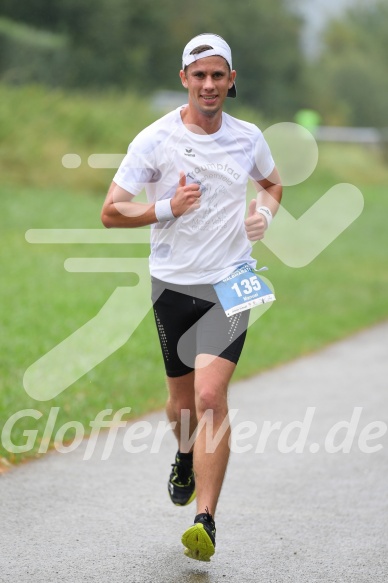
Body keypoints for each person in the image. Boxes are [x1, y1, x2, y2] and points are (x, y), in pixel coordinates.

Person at [101, 33, 282, 562]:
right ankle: (184, 454)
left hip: (231, 282)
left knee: (209, 398)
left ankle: (205, 519)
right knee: (181, 404)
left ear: (231, 80)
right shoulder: (154, 140)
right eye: (198, 75)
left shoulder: (248, 137)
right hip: (173, 285)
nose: (208, 84)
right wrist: (167, 209)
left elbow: (272, 184)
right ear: (184, 79)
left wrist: (263, 215)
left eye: (218, 75)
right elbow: (111, 211)